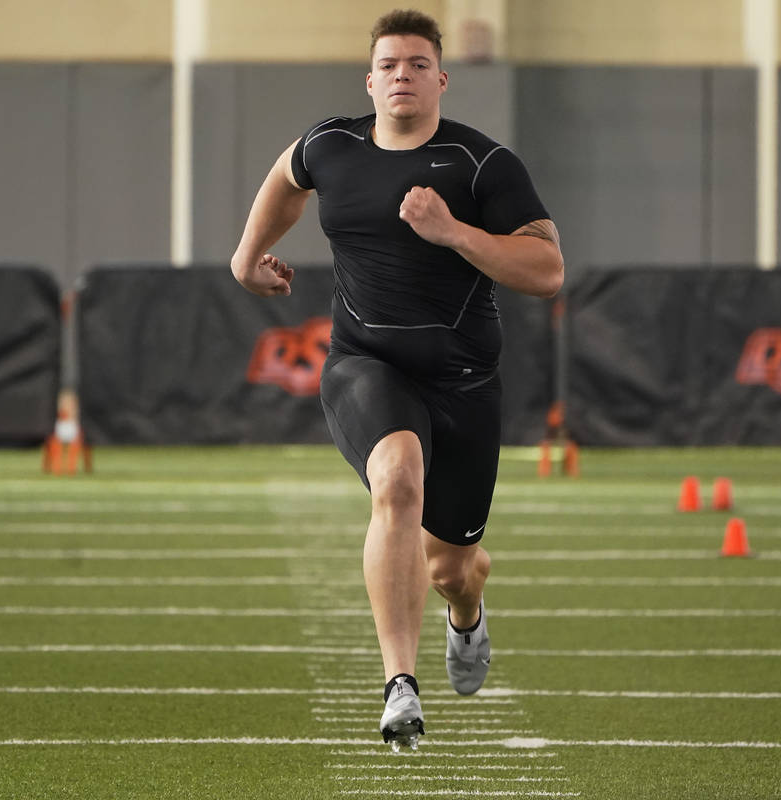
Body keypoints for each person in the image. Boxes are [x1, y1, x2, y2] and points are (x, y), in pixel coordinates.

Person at [230, 8, 563, 751]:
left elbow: (546, 271)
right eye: (389, 65)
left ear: (441, 78)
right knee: (398, 480)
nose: (402, 76)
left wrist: (453, 232)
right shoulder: (333, 144)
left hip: (466, 383)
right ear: (370, 79)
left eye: (417, 64)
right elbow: (289, 175)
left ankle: (468, 616)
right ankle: (399, 686)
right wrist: (247, 255)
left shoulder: (485, 166)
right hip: (365, 365)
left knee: (451, 568)